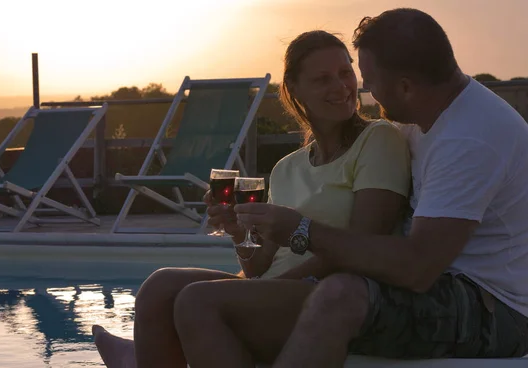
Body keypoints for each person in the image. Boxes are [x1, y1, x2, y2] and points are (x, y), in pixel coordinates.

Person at [174, 7, 528, 368]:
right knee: (177, 290)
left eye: (368, 78)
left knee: (339, 294)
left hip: (494, 309)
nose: (364, 90)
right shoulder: (417, 120)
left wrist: (301, 230)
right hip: (438, 286)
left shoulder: (471, 137)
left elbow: (418, 269)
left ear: (405, 86)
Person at [92, 30, 411, 368]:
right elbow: (257, 265)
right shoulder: (287, 168)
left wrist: (263, 288)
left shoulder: (378, 139)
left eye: (345, 72)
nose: (341, 86)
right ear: (294, 89)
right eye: (322, 79)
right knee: (158, 287)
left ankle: (135, 360)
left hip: (333, 291)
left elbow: (364, 244)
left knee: (196, 301)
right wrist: (237, 232)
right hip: (277, 289)